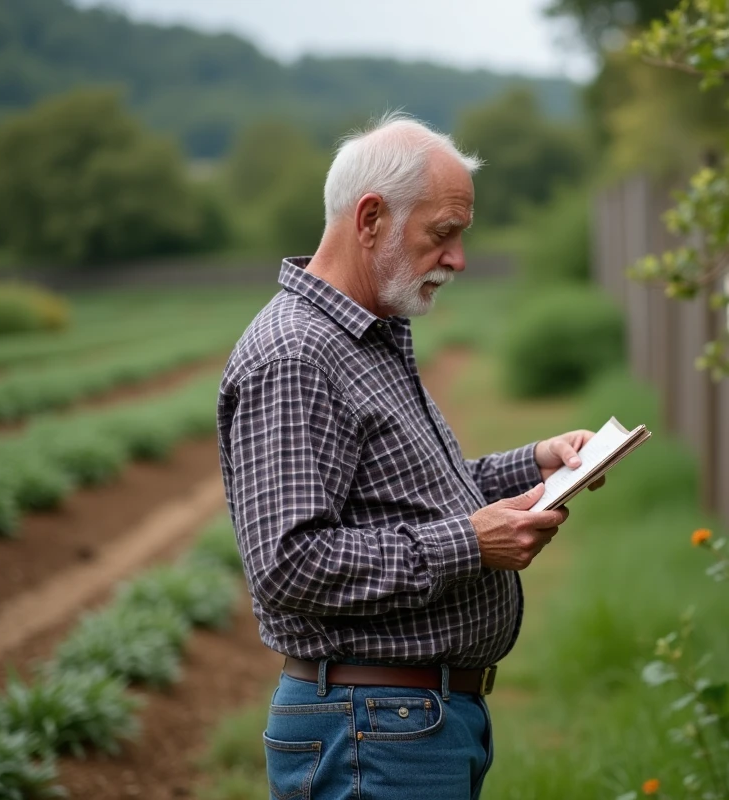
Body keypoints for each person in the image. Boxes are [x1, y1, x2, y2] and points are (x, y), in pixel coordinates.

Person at [216, 112, 600, 800]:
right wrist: (471, 544)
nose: (458, 259)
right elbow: (290, 565)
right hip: (370, 731)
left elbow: (420, 492)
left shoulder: (369, 335)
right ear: (370, 220)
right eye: (442, 234)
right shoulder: (297, 355)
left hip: (407, 726)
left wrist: (536, 462)